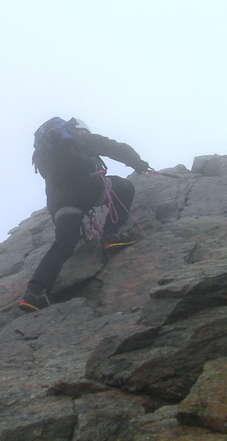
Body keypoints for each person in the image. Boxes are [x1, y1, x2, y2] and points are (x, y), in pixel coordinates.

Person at [19, 117, 151, 312]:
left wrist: (60, 216)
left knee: (63, 244)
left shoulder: (48, 154)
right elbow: (117, 148)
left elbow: (51, 189)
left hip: (61, 203)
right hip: (89, 187)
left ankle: (35, 292)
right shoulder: (79, 138)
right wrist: (139, 164)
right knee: (125, 188)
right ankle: (111, 234)